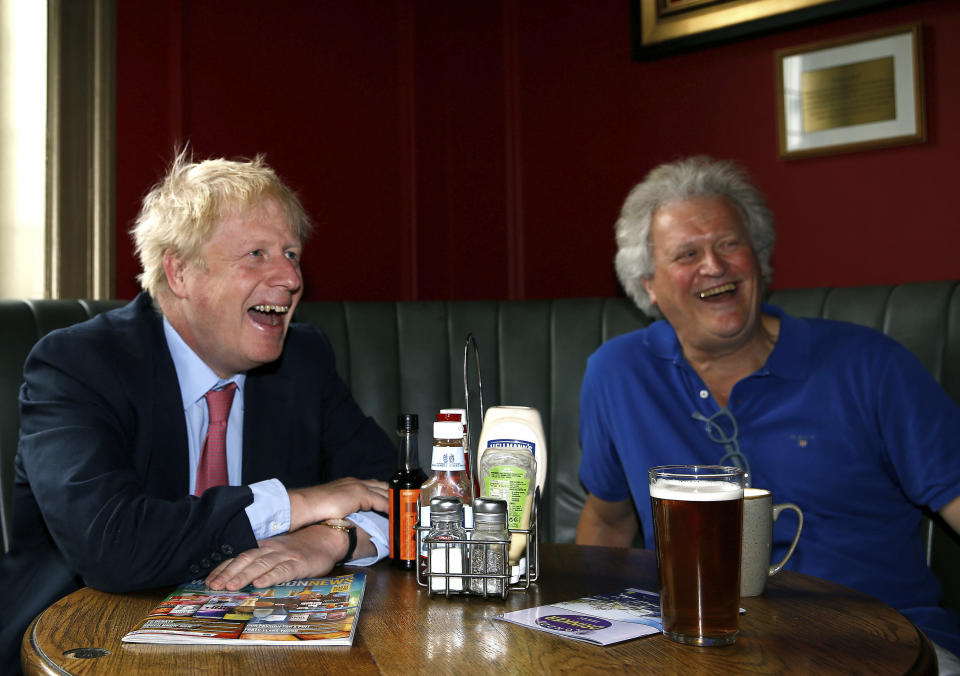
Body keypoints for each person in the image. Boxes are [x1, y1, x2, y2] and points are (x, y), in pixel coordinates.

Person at [0, 150, 395, 672]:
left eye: (292, 254)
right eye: (256, 253)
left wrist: (332, 536)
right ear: (180, 271)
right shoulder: (77, 364)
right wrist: (296, 504)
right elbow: (112, 546)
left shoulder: (304, 360)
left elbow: (395, 487)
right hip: (82, 643)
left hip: (262, 650)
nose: (290, 278)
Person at [575, 156, 960, 670]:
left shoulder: (870, 364)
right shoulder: (617, 373)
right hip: (697, 649)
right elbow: (606, 522)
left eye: (729, 243)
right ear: (649, 285)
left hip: (882, 647)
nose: (714, 265)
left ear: (757, 258)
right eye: (687, 253)